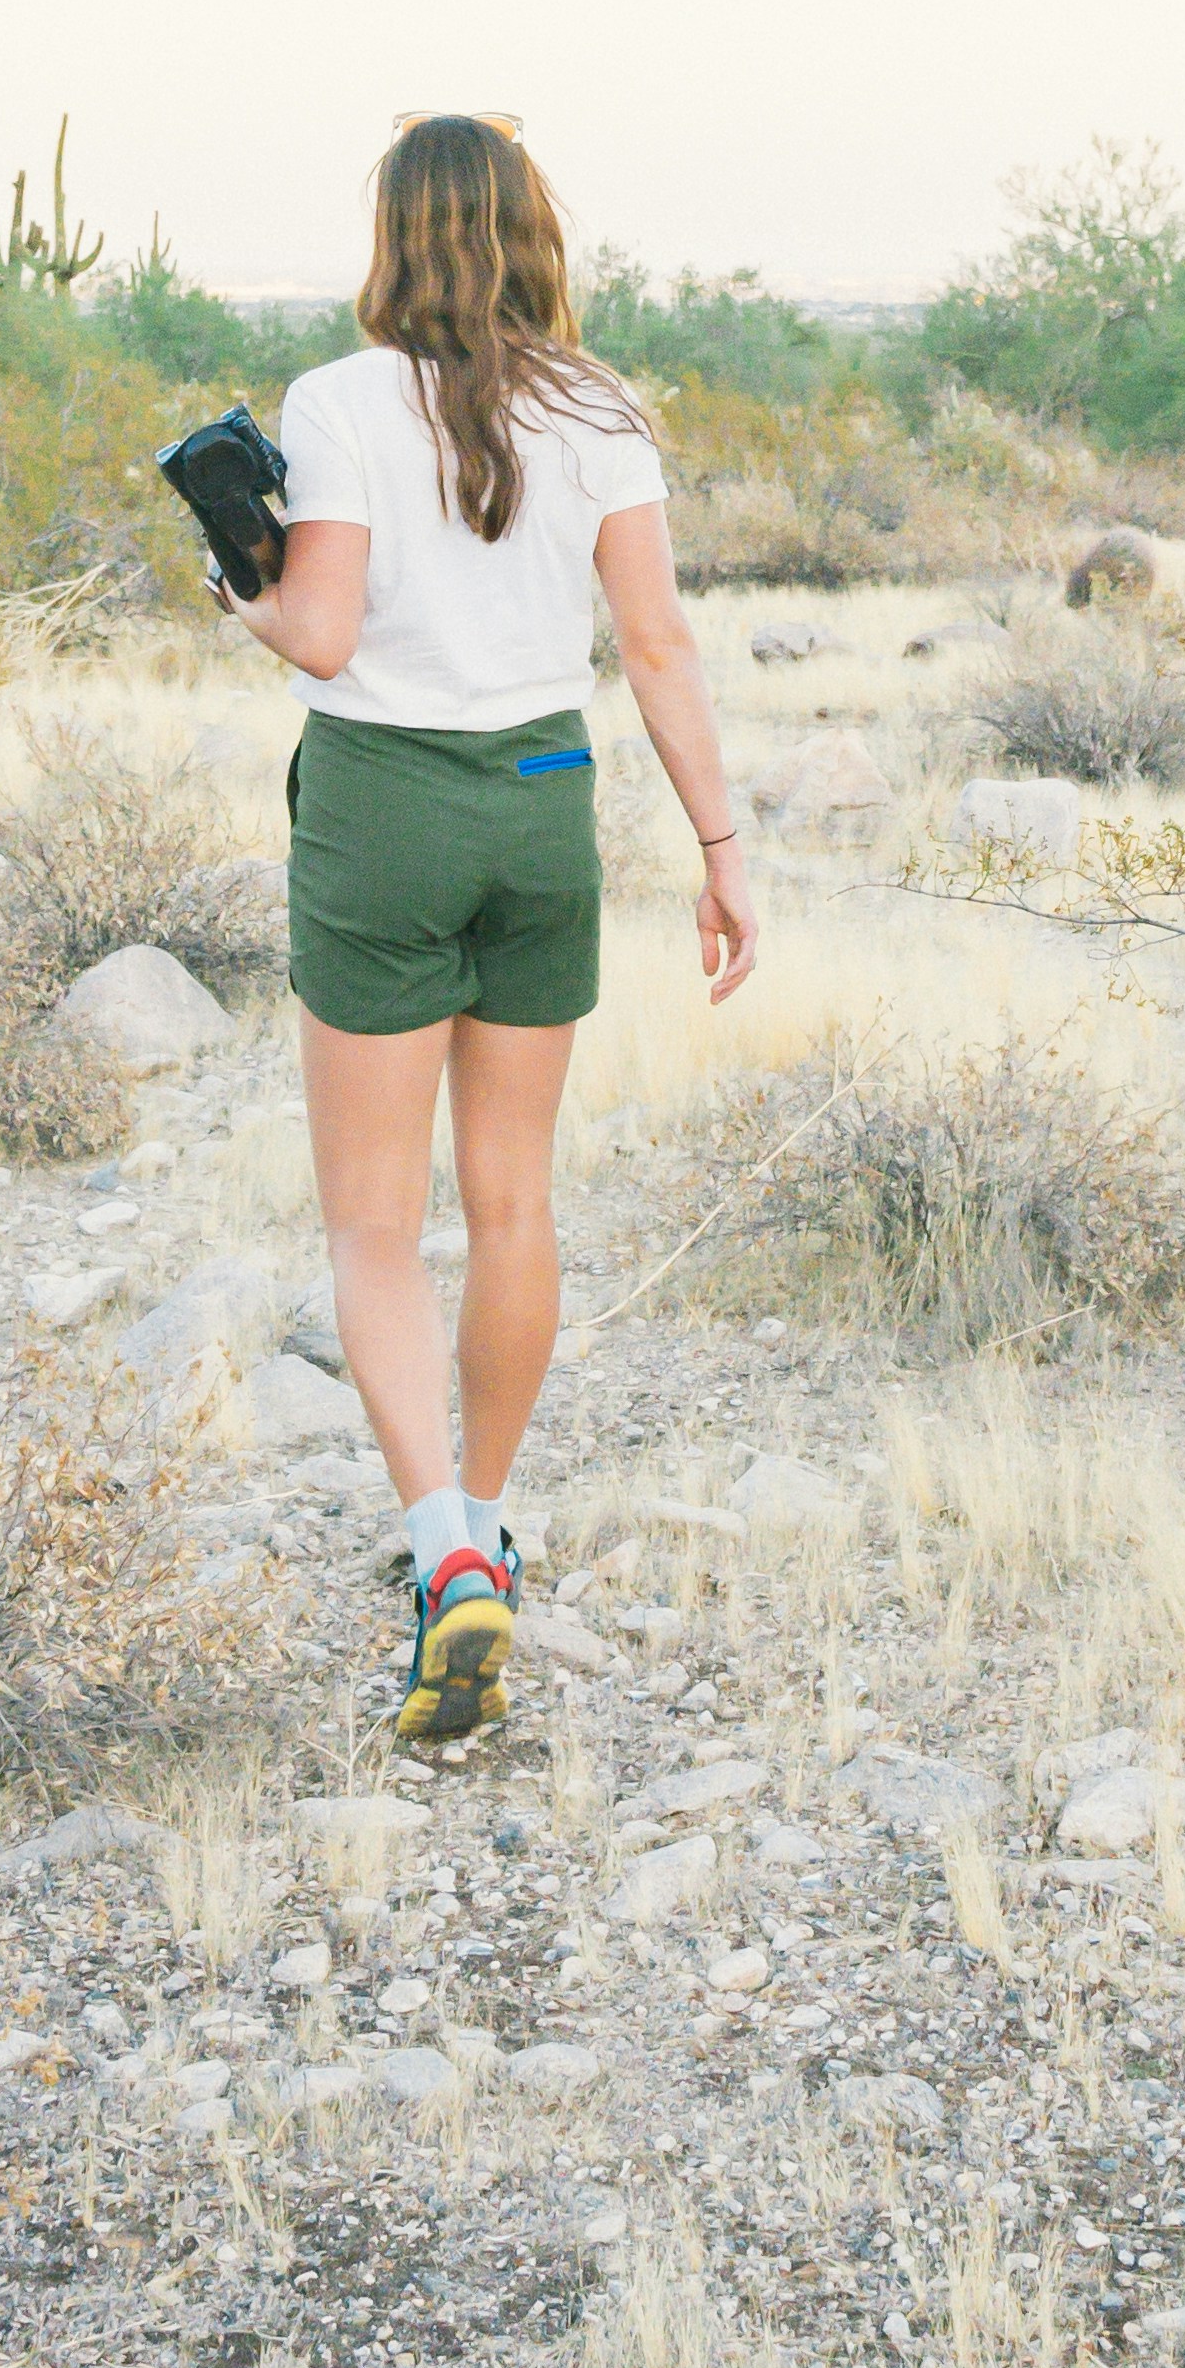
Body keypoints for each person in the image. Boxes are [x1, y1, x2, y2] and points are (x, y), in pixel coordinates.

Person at [224, 113, 754, 1746]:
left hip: (385, 800)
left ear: (393, 232)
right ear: (533, 231)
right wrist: (723, 845)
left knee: (375, 1225)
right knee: (512, 1199)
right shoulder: (597, 408)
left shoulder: (336, 401)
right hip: (542, 792)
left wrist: (232, 581)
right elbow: (655, 645)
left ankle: (440, 1540)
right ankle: (495, 1528)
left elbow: (319, 636)